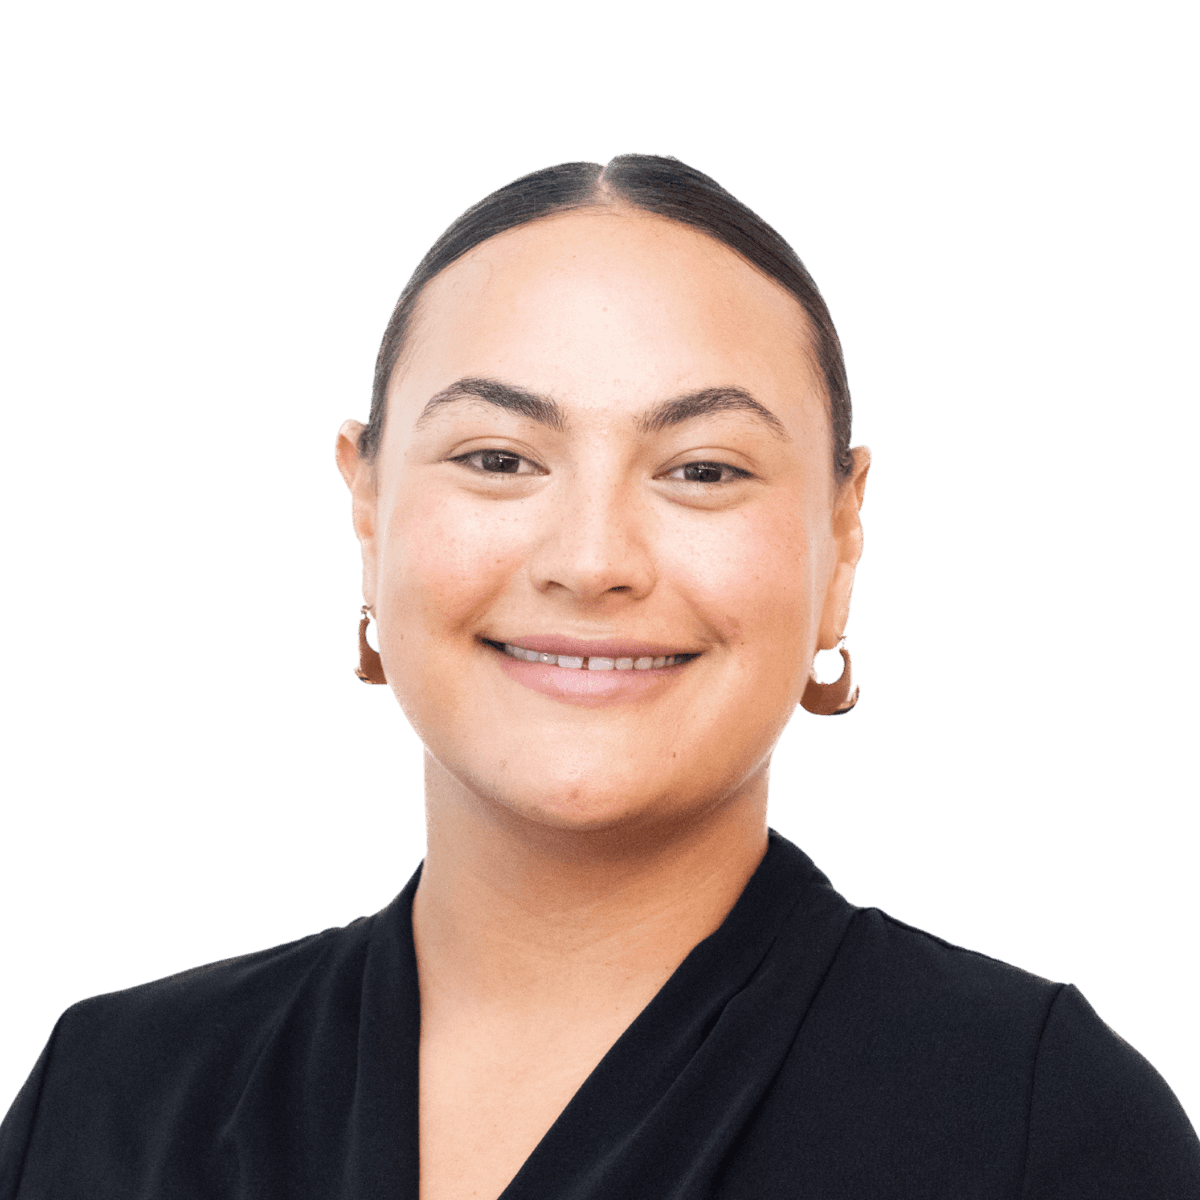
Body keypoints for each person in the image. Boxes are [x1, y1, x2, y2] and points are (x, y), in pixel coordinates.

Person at [2, 153, 1197, 1200]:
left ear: (842, 540)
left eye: (704, 470)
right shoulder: (114, 1099)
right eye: (497, 457)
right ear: (367, 512)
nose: (590, 561)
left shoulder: (1033, 1117)